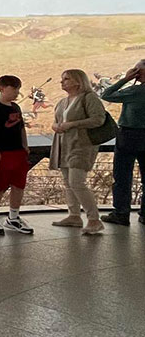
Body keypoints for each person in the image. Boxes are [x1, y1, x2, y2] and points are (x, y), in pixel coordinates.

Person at [49, 70, 107, 234]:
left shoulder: (89, 98)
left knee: (77, 182)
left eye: (66, 79)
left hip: (81, 145)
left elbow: (98, 119)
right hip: (64, 146)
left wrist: (73, 124)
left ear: (78, 81)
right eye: (62, 79)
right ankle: (74, 215)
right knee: (68, 182)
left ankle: (94, 219)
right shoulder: (63, 101)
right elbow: (56, 121)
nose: (62, 82)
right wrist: (55, 126)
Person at [0, 75, 33, 234]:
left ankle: (13, 217)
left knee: (18, 185)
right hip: (1, 153)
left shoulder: (15, 107)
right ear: (2, 88)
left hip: (17, 152)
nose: (17, 92)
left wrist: (25, 146)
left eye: (18, 88)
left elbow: (22, 128)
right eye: (14, 88)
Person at [101, 59, 145, 225]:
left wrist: (126, 79)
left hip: (129, 135)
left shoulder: (135, 91)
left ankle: (121, 213)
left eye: (137, 70)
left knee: (122, 176)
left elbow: (106, 95)